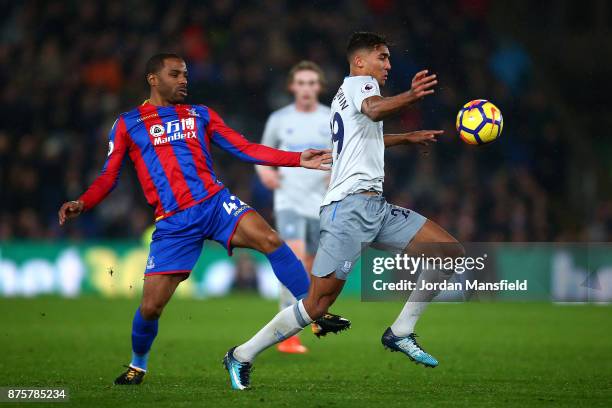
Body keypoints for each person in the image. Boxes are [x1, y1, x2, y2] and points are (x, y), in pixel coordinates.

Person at [57, 53, 350, 385]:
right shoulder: (128, 123)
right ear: (153, 79)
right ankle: (137, 365)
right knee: (151, 307)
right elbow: (109, 175)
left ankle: (313, 312)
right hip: (174, 223)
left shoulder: (200, 114)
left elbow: (244, 148)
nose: (184, 80)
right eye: (175, 74)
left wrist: (297, 159)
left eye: (185, 74)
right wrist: (84, 201)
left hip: (215, 203)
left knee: (271, 240)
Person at [224, 32, 463, 390]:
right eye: (382, 57)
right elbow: (374, 109)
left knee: (448, 253)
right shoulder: (360, 85)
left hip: (375, 207)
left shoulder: (350, 94)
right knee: (317, 305)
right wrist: (411, 96)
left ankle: (401, 331)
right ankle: (241, 354)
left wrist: (406, 137)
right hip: (348, 209)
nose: (388, 65)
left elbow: (363, 136)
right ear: (360, 61)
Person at [256, 61, 338, 354]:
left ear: (319, 87)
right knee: (294, 256)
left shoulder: (331, 117)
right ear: (292, 87)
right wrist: (265, 173)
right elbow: (261, 153)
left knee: (310, 268)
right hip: (288, 200)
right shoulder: (280, 118)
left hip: (320, 202)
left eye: (311, 83)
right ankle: (288, 336)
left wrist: (335, 174)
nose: (306, 88)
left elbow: (343, 153)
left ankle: (308, 318)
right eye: (301, 83)